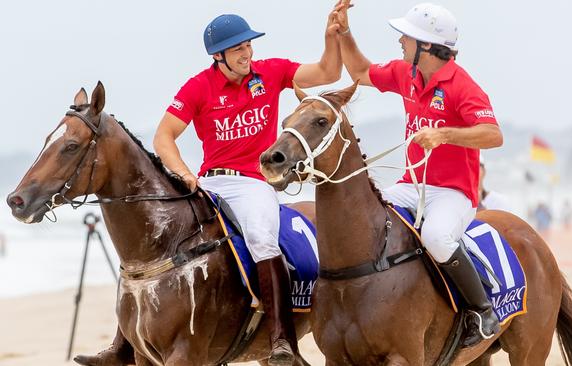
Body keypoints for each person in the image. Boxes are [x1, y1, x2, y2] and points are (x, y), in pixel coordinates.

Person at [75, 10, 342, 366]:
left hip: (253, 184)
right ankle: (123, 344)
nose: (247, 54)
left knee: (262, 238)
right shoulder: (198, 86)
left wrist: (333, 36)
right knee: (155, 239)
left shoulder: (272, 71)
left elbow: (328, 72)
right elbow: (164, 136)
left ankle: (282, 340)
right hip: (211, 180)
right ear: (219, 56)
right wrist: (184, 172)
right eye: (238, 50)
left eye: (248, 46)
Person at [331, 1, 503, 347]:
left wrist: (445, 134)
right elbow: (360, 72)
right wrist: (344, 33)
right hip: (411, 185)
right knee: (369, 216)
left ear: (426, 46)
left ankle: (482, 310)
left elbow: (493, 134)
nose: (400, 43)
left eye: (406, 38)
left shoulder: (462, 85)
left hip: (453, 192)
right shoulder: (406, 74)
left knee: (437, 238)